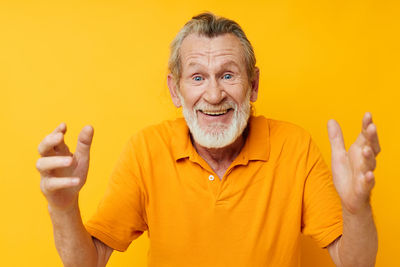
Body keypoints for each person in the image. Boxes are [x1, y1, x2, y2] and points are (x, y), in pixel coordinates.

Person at [36, 13, 380, 267]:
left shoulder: (295, 146)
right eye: (198, 77)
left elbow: (357, 264)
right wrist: (63, 209)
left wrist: (356, 210)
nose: (214, 95)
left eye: (228, 75)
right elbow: (87, 262)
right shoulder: (146, 149)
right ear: (175, 90)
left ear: (254, 85)